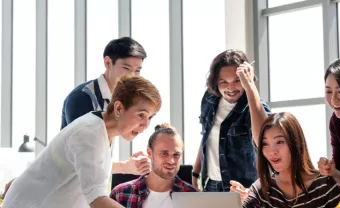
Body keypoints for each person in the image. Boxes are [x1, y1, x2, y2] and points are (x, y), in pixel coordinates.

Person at [2, 74, 161, 208]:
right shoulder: (89, 132)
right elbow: (97, 199)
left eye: (150, 118)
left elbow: (88, 173)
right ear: (118, 108)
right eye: (141, 115)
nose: (146, 125)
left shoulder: (103, 131)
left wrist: (126, 167)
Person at [61, 36, 152, 176]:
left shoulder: (119, 100)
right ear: (108, 63)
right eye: (127, 68)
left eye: (138, 70)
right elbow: (83, 159)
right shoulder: (83, 97)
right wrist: (125, 167)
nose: (133, 76)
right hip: (67, 184)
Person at [192, 49, 271, 192]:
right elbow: (206, 136)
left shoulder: (255, 106)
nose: (230, 88)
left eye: (237, 81)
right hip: (210, 186)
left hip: (243, 189)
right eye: (224, 82)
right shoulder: (209, 99)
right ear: (216, 81)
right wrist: (195, 172)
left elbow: (264, 141)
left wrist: (250, 87)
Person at [232, 112, 340, 207]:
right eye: (265, 144)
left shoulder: (326, 185)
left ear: (295, 143)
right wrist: (234, 203)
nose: (272, 151)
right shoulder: (261, 189)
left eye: (279, 142)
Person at [110, 124, 197, 208]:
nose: (171, 161)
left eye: (176, 155)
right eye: (164, 153)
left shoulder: (194, 197)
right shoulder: (120, 194)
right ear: (149, 152)